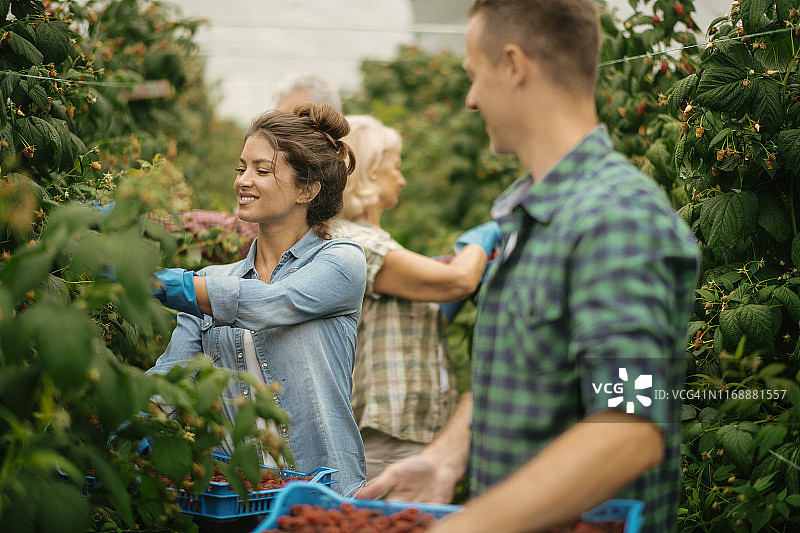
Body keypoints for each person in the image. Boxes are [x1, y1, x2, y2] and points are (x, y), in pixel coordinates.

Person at [357, 2, 699, 533]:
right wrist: (450, 453)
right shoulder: (529, 217)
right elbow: (526, 369)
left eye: (474, 75)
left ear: (513, 65)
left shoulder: (615, 218)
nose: (471, 99)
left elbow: (628, 426)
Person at [146, 103, 368, 499]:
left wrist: (169, 285)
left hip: (326, 497)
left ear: (307, 189)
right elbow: (172, 381)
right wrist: (121, 415)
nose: (244, 181)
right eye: (241, 167)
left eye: (262, 171)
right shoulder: (213, 282)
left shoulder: (340, 262)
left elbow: (272, 303)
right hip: (238, 497)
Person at [329, 115, 501, 480]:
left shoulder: (375, 242)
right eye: (396, 167)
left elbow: (419, 313)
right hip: (386, 435)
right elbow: (456, 280)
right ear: (371, 171)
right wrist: (481, 239)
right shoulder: (356, 243)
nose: (402, 178)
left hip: (410, 429)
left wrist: (445, 292)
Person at [154, 73, 343, 259]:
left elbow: (236, 233)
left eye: (294, 121)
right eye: (241, 169)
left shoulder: (331, 251)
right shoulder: (263, 237)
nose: (279, 130)